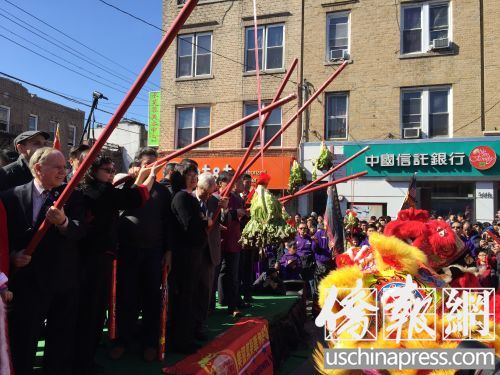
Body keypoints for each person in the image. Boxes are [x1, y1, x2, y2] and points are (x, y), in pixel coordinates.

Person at [1, 147, 85, 375]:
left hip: (63, 282)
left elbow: (81, 232)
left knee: (60, 340)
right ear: (38, 168)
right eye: (57, 167)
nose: (63, 171)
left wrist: (64, 221)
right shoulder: (11, 196)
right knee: (24, 340)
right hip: (28, 284)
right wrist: (12, 257)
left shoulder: (73, 196)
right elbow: (3, 238)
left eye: (64, 167)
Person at [74, 155, 160, 374]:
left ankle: (83, 358)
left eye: (113, 169)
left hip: (89, 256)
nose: (111, 173)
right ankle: (84, 361)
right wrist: (151, 174)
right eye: (107, 170)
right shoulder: (101, 191)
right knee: (92, 311)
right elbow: (137, 196)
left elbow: (129, 194)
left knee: (89, 311)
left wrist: (139, 175)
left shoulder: (90, 188)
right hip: (95, 258)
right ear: (93, 171)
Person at [112, 147, 173, 361]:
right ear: (137, 164)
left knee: (151, 299)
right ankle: (121, 341)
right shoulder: (126, 187)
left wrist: (168, 251)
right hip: (127, 252)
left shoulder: (163, 192)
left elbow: (168, 224)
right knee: (126, 298)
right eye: (147, 163)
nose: (152, 167)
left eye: (155, 163)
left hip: (153, 252)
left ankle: (149, 343)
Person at [169, 162, 206, 353]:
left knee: (190, 295)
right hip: (186, 254)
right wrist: (202, 224)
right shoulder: (182, 197)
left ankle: (187, 336)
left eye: (195, 174)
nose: (193, 177)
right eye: (189, 174)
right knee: (184, 297)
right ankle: (181, 340)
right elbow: (188, 227)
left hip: (192, 253)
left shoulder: (188, 197)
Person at [193, 173, 228, 340]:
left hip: (209, 252)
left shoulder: (216, 201)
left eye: (210, 192)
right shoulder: (189, 200)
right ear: (198, 187)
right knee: (191, 289)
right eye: (205, 192)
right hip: (193, 251)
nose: (207, 196)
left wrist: (225, 208)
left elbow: (223, 222)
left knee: (206, 289)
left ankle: (201, 322)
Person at [218, 172, 248, 317]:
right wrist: (236, 212)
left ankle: (232, 303)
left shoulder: (236, 197)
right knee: (223, 273)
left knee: (232, 274)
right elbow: (222, 216)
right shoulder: (217, 197)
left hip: (233, 239)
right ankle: (223, 301)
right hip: (221, 240)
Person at [296, 223, 316, 298]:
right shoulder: (295, 239)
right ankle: (301, 298)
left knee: (311, 281)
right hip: (299, 261)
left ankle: (313, 299)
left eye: (304, 228)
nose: (303, 230)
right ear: (298, 229)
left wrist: (314, 241)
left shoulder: (310, 238)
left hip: (309, 261)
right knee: (301, 281)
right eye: (301, 228)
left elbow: (313, 250)